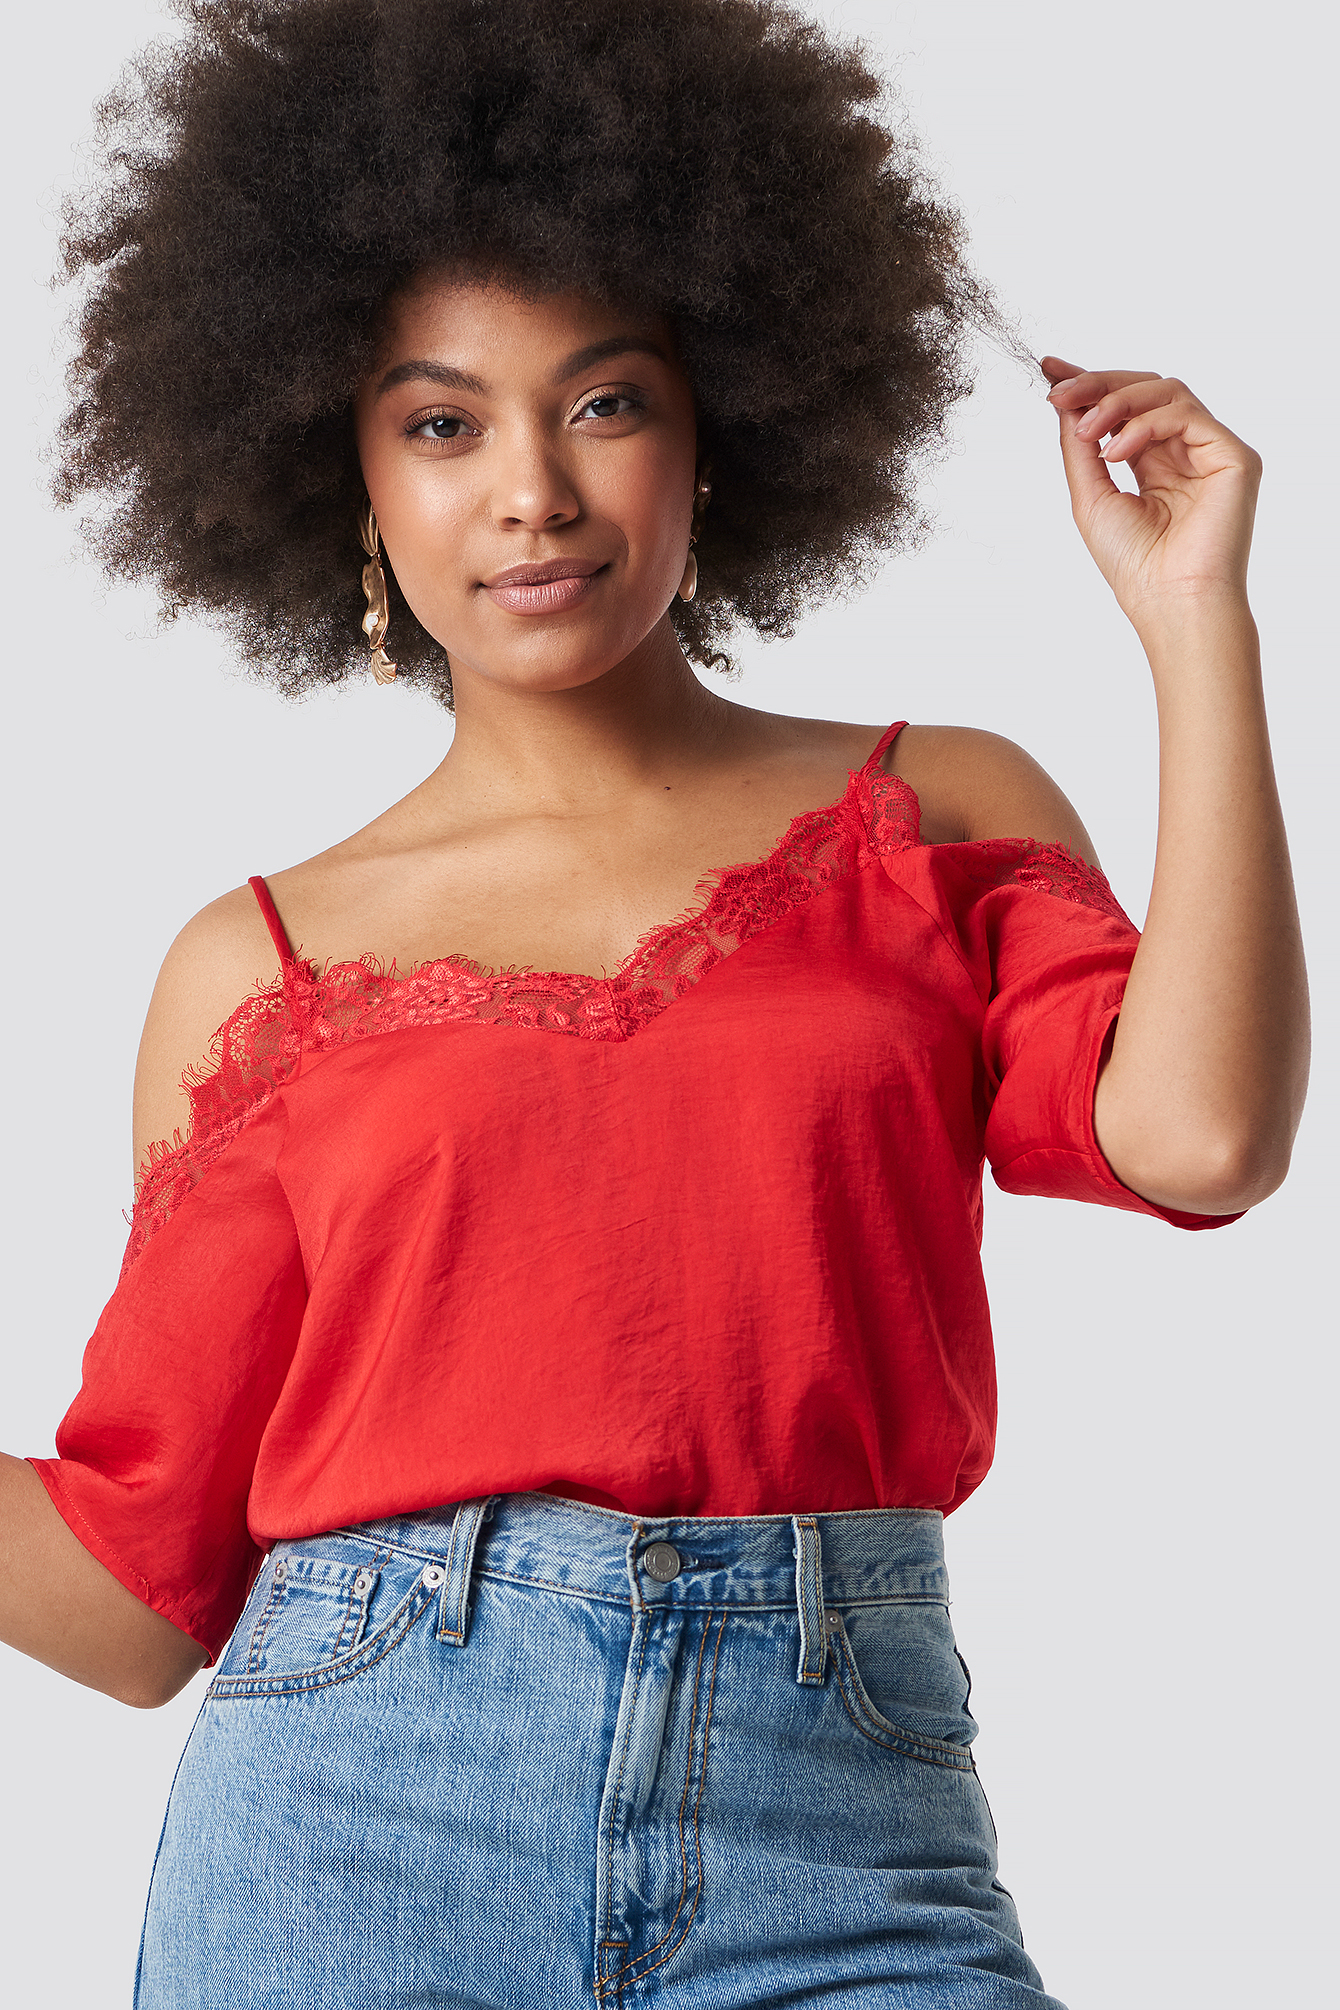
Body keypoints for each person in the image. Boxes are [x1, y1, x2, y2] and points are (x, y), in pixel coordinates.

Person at [0, 0, 1308, 2003]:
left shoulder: (927, 812)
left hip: (840, 1827)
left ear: (720, 431)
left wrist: (1195, 622)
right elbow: (132, 1595)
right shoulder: (260, 968)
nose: (529, 490)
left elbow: (1203, 1138)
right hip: (347, 1835)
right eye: (442, 424)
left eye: (603, 402)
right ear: (348, 474)